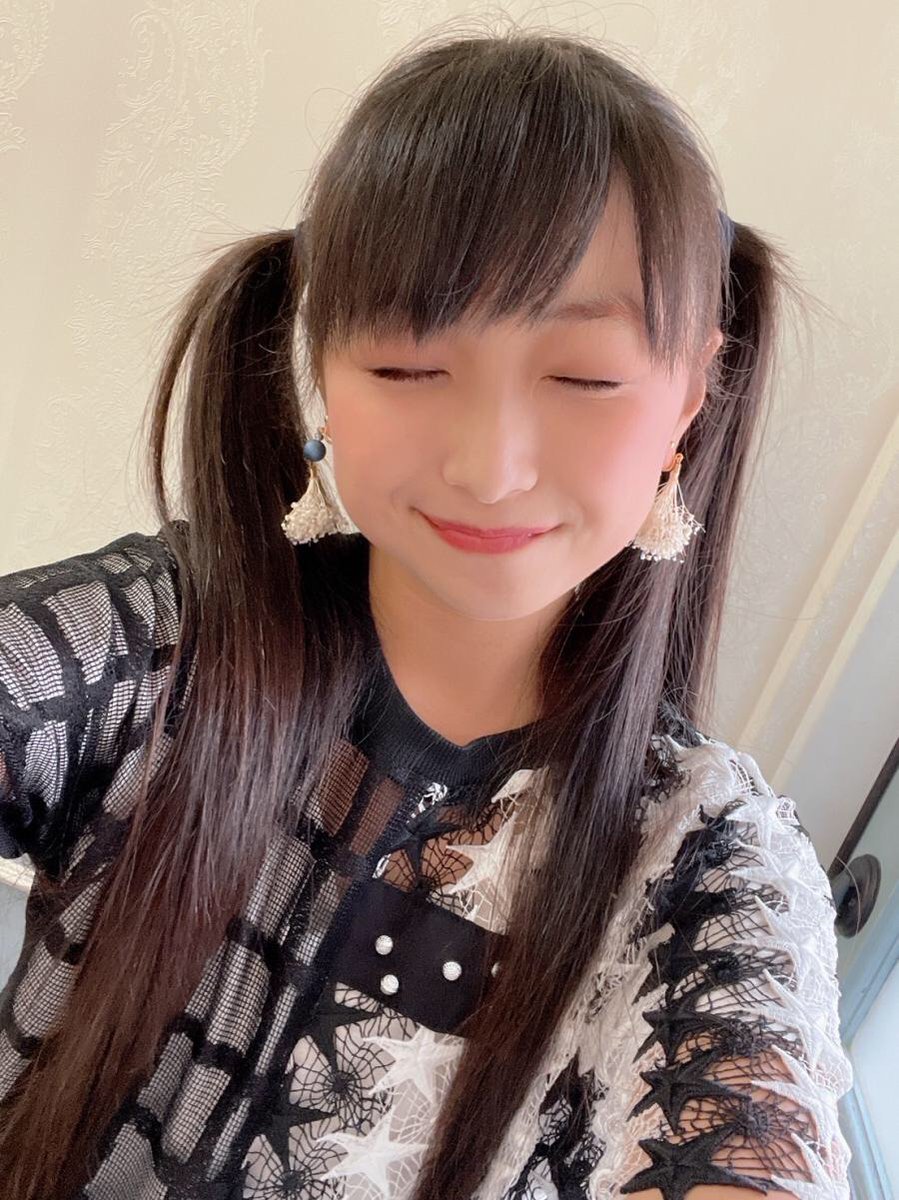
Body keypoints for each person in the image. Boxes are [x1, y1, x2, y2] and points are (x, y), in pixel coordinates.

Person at [0, 26, 853, 1200]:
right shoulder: (157, 642)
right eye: (407, 367)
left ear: (690, 395)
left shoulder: (700, 862)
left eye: (584, 378)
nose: (489, 468)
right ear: (320, 370)